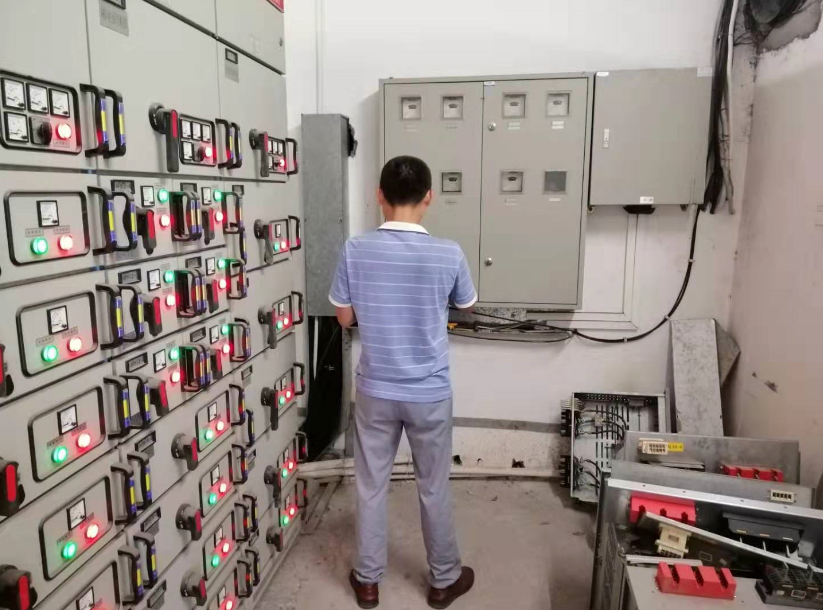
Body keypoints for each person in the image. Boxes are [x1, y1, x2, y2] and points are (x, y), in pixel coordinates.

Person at [330, 156, 477, 609]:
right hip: (429, 392)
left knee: (371, 485)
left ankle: (367, 581)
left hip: (375, 389)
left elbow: (344, 317)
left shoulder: (355, 249)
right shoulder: (449, 253)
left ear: (379, 195)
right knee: (434, 487)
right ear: (429, 197)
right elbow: (467, 305)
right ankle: (443, 581)